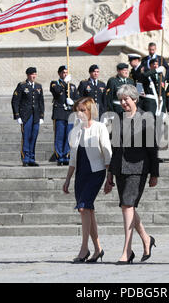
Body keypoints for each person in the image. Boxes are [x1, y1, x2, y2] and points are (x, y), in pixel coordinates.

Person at [104, 84, 159, 264]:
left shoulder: (146, 118)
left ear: (134, 99)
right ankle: (146, 238)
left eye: (126, 99)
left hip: (138, 168)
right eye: (120, 100)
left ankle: (127, 251)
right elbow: (114, 147)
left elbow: (152, 148)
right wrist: (110, 172)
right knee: (127, 206)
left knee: (127, 205)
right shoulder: (118, 118)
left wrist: (154, 173)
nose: (123, 103)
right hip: (119, 167)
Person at [63, 97, 112, 263]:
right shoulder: (76, 130)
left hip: (96, 172)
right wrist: (68, 179)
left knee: (84, 208)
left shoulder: (100, 127)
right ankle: (98, 249)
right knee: (87, 210)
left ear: (91, 111)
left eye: (83, 110)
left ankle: (84, 249)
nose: (79, 113)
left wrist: (109, 177)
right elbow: (73, 158)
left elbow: (107, 154)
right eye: (78, 109)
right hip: (81, 173)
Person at [11, 67, 45, 167]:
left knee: (34, 137)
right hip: (26, 115)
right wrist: (17, 115)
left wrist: (41, 115)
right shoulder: (22, 86)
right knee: (26, 137)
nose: (34, 76)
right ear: (27, 75)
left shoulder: (38, 86)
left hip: (36, 115)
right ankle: (25, 158)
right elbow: (15, 101)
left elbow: (41, 102)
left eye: (35, 74)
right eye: (32, 74)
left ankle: (32, 158)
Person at [50, 65, 79, 166]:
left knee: (69, 136)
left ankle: (66, 155)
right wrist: (64, 82)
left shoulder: (72, 86)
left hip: (70, 114)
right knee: (59, 136)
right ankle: (59, 156)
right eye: (63, 72)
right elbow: (56, 92)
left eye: (66, 72)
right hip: (59, 113)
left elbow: (78, 99)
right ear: (59, 74)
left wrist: (73, 102)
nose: (65, 74)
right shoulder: (54, 83)